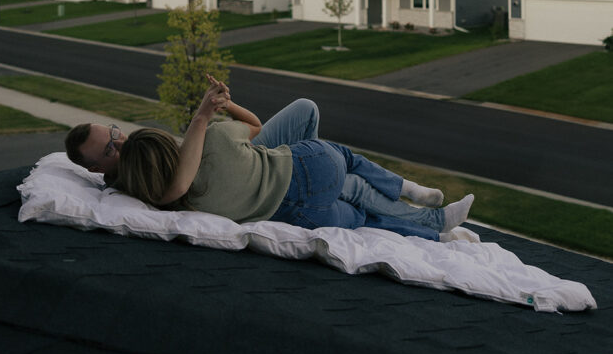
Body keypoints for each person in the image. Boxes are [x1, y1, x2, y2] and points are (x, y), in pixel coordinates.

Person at [67, 77, 473, 242]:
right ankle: (413, 196)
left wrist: (223, 107)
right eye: (109, 148)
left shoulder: (146, 174)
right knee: (346, 172)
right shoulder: (168, 170)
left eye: (116, 134)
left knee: (306, 113)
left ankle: (434, 230)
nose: (119, 142)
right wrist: (204, 117)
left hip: (268, 191)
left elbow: (181, 183)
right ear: (94, 168)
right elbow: (180, 182)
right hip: (267, 169)